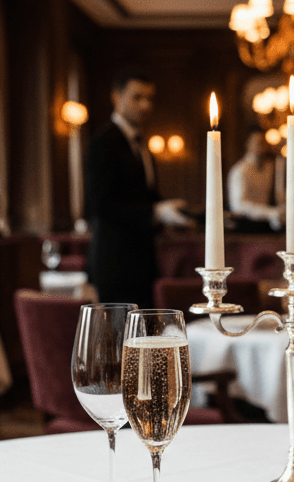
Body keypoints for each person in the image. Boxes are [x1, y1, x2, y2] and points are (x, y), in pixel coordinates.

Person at [85, 67, 191, 308]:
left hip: (143, 261)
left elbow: (146, 198)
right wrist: (156, 212)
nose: (145, 105)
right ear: (116, 97)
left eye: (149, 99)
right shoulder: (103, 142)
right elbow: (100, 205)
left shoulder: (143, 146)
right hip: (114, 263)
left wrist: (172, 213)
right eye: (137, 97)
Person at [227, 128, 283, 233]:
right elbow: (238, 206)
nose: (262, 146)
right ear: (248, 144)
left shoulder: (270, 168)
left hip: (267, 226)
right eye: (258, 142)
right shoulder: (239, 171)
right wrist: (269, 212)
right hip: (245, 227)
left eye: (264, 142)